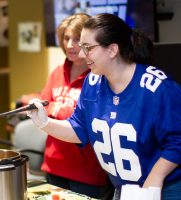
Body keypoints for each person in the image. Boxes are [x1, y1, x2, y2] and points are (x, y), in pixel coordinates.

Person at [27, 13, 181, 200]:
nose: (80, 54)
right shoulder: (93, 82)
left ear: (112, 50)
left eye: (87, 47)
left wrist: (155, 177)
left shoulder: (159, 89)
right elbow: (79, 128)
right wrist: (45, 123)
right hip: (125, 188)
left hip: (166, 188)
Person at [36, 13, 109, 199]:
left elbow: (89, 119)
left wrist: (55, 108)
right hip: (54, 165)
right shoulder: (57, 72)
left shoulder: (99, 75)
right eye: (66, 38)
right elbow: (42, 108)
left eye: (76, 39)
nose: (69, 45)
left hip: (88, 172)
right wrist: (62, 110)